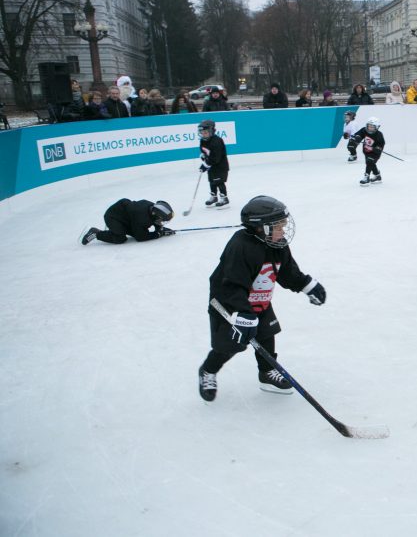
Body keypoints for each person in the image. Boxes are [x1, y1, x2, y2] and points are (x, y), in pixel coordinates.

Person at [197, 195, 327, 401]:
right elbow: (231, 284)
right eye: (278, 227)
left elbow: (287, 272)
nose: (283, 231)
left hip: (260, 302)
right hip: (229, 306)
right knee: (228, 345)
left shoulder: (278, 244)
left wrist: (307, 286)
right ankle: (208, 370)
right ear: (261, 227)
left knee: (267, 336)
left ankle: (266, 373)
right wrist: (241, 314)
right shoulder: (241, 247)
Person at [81, 199, 175, 245]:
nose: (161, 222)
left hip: (129, 218)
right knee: (120, 239)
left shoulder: (151, 207)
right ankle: (96, 233)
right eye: (162, 220)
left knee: (135, 229)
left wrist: (160, 229)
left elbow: (155, 220)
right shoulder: (142, 217)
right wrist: (158, 234)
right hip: (113, 217)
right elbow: (141, 237)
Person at [199, 119, 231, 208]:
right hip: (211, 167)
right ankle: (214, 197)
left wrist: (205, 165)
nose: (203, 134)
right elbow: (204, 151)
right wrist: (203, 156)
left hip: (220, 166)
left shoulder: (217, 141)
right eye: (202, 133)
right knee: (212, 181)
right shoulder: (203, 141)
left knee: (219, 182)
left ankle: (224, 198)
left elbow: (216, 158)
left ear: (212, 131)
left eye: (206, 132)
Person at [349, 117, 385, 185]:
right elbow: (358, 135)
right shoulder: (364, 130)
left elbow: (381, 146)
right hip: (366, 151)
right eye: (369, 126)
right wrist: (355, 138)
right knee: (370, 163)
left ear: (377, 127)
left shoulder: (379, 135)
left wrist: (373, 149)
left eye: (372, 127)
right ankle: (377, 176)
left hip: (375, 153)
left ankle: (366, 177)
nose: (370, 128)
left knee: (369, 161)